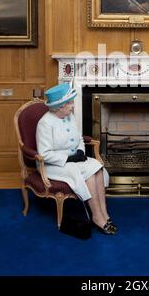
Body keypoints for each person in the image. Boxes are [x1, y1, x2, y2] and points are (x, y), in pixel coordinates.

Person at [36, 83, 117, 235]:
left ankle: (104, 214)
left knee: (97, 168)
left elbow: (79, 138)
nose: (73, 106)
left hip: (75, 159)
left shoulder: (69, 116)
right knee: (90, 174)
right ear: (60, 106)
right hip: (54, 164)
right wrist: (68, 157)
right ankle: (97, 217)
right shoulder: (45, 123)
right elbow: (44, 154)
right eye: (70, 103)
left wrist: (80, 150)